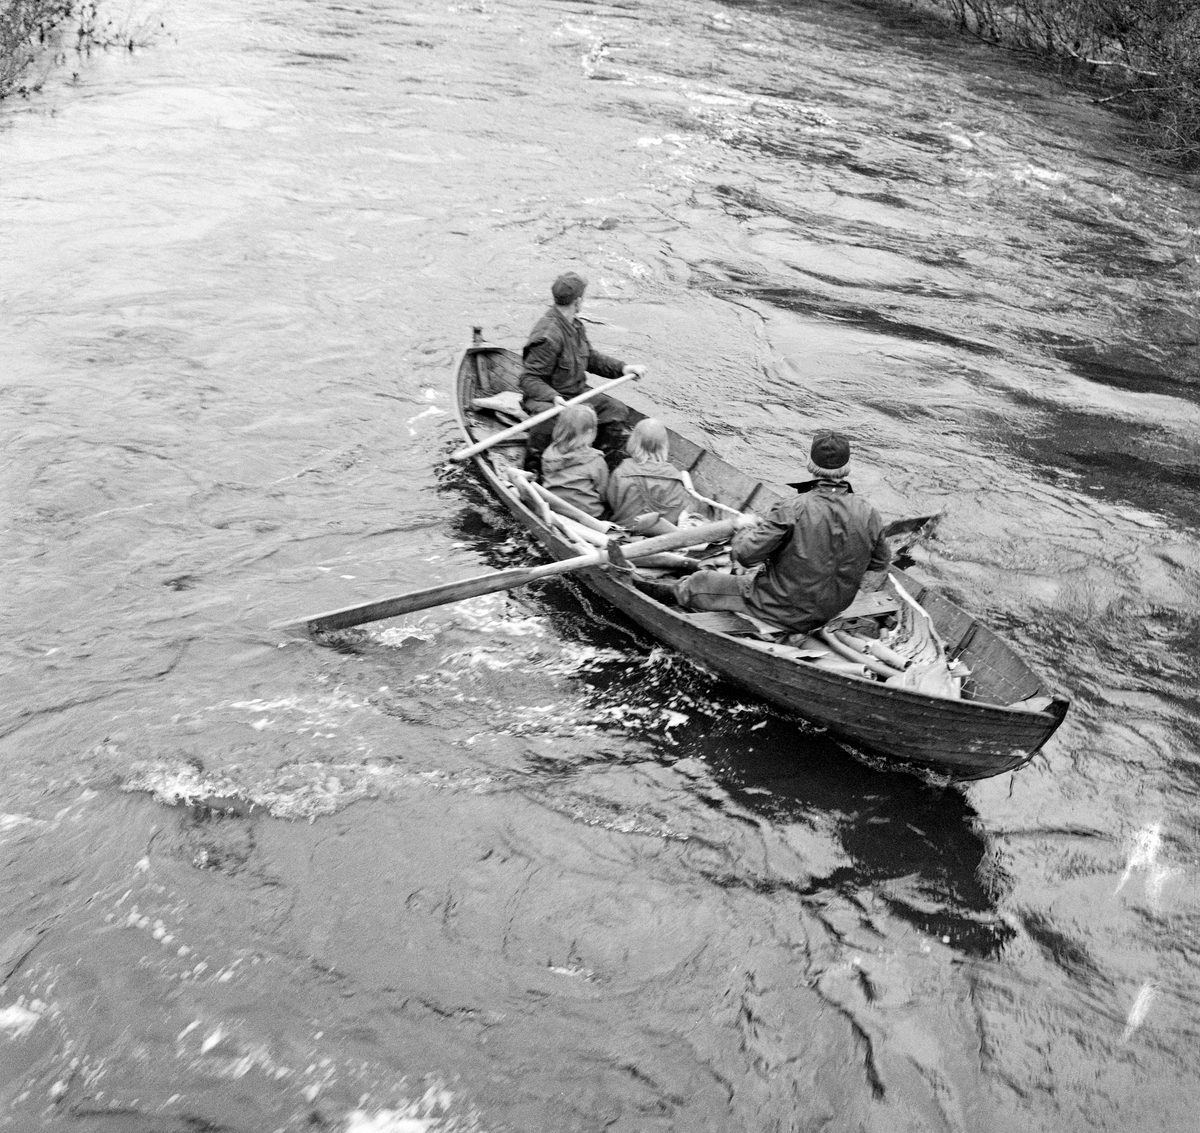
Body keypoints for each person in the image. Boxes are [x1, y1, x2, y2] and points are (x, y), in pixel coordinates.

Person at [656, 430, 892, 633]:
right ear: (847, 468)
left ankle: (652, 592)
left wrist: (742, 532)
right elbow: (879, 563)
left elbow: (745, 557)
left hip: (779, 609)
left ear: (811, 466)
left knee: (700, 582)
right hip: (832, 609)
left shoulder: (793, 508)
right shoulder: (869, 512)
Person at [519, 272, 645, 471]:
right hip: (546, 399)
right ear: (577, 302)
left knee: (616, 410)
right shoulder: (547, 336)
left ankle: (604, 467)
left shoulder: (575, 326)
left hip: (576, 394)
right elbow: (529, 379)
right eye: (583, 298)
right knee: (553, 419)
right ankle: (533, 470)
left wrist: (622, 368)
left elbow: (591, 358)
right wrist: (553, 397)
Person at [606, 418, 697, 535]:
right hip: (662, 535)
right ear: (664, 445)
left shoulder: (621, 471)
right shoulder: (675, 476)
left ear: (633, 442)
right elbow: (679, 509)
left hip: (625, 531)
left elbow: (611, 502)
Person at [540, 404, 609, 519]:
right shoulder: (595, 460)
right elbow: (604, 493)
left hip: (554, 508)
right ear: (592, 432)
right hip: (587, 515)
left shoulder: (549, 452)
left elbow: (545, 474)